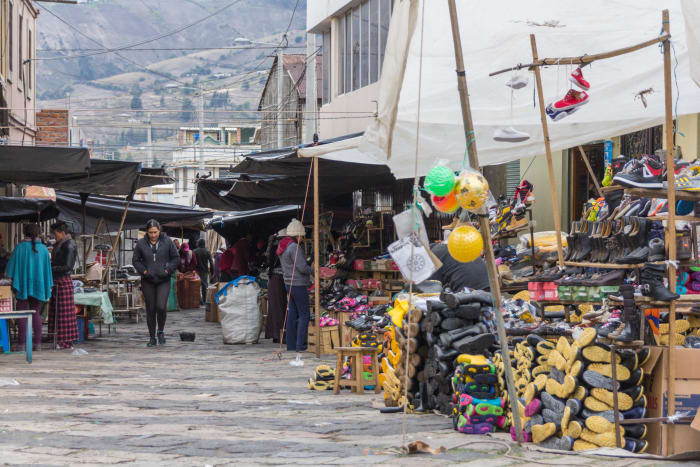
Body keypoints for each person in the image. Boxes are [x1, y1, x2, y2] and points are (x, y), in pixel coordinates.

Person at [132, 219, 180, 347]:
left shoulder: (168, 241)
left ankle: (161, 331)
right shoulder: (141, 243)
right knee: (151, 309)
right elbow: (136, 260)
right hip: (148, 280)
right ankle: (152, 337)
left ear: (159, 230)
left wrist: (168, 270)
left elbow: (176, 258)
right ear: (147, 232)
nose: (153, 235)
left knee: (161, 306)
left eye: (155, 232)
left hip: (163, 279)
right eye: (150, 232)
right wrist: (144, 271)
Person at [5, 224, 53, 351]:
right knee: (36, 311)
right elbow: (47, 270)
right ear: (39, 234)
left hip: (22, 284)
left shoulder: (19, 248)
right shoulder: (44, 249)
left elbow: (10, 270)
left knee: (22, 312)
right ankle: (37, 344)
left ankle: (21, 344)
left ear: (24, 233)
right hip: (38, 285)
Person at [277, 219, 313, 366]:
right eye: (301, 236)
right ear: (297, 235)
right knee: (304, 314)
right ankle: (300, 346)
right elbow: (302, 268)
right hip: (298, 284)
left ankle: (291, 344)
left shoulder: (283, 246)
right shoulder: (294, 248)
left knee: (292, 312)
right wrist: (313, 269)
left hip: (288, 283)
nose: (302, 239)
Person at [49, 221, 79, 349]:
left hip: (63, 280)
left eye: (55, 234)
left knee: (64, 314)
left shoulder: (69, 244)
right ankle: (58, 338)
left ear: (62, 232)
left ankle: (65, 341)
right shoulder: (60, 244)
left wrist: (50, 268)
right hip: (57, 280)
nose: (53, 236)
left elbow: (67, 267)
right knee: (56, 312)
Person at [264, 230, 287, 343]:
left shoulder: (272, 246)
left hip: (274, 278)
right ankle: (279, 334)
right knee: (279, 307)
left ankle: (276, 334)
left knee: (274, 308)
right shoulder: (280, 247)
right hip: (279, 278)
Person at [193, 239, 214, 305]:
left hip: (196, 271)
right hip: (204, 271)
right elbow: (211, 262)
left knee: (196, 286)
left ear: (198, 243)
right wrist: (212, 271)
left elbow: (192, 262)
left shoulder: (194, 251)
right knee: (205, 286)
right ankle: (205, 300)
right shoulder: (207, 251)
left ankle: (199, 300)